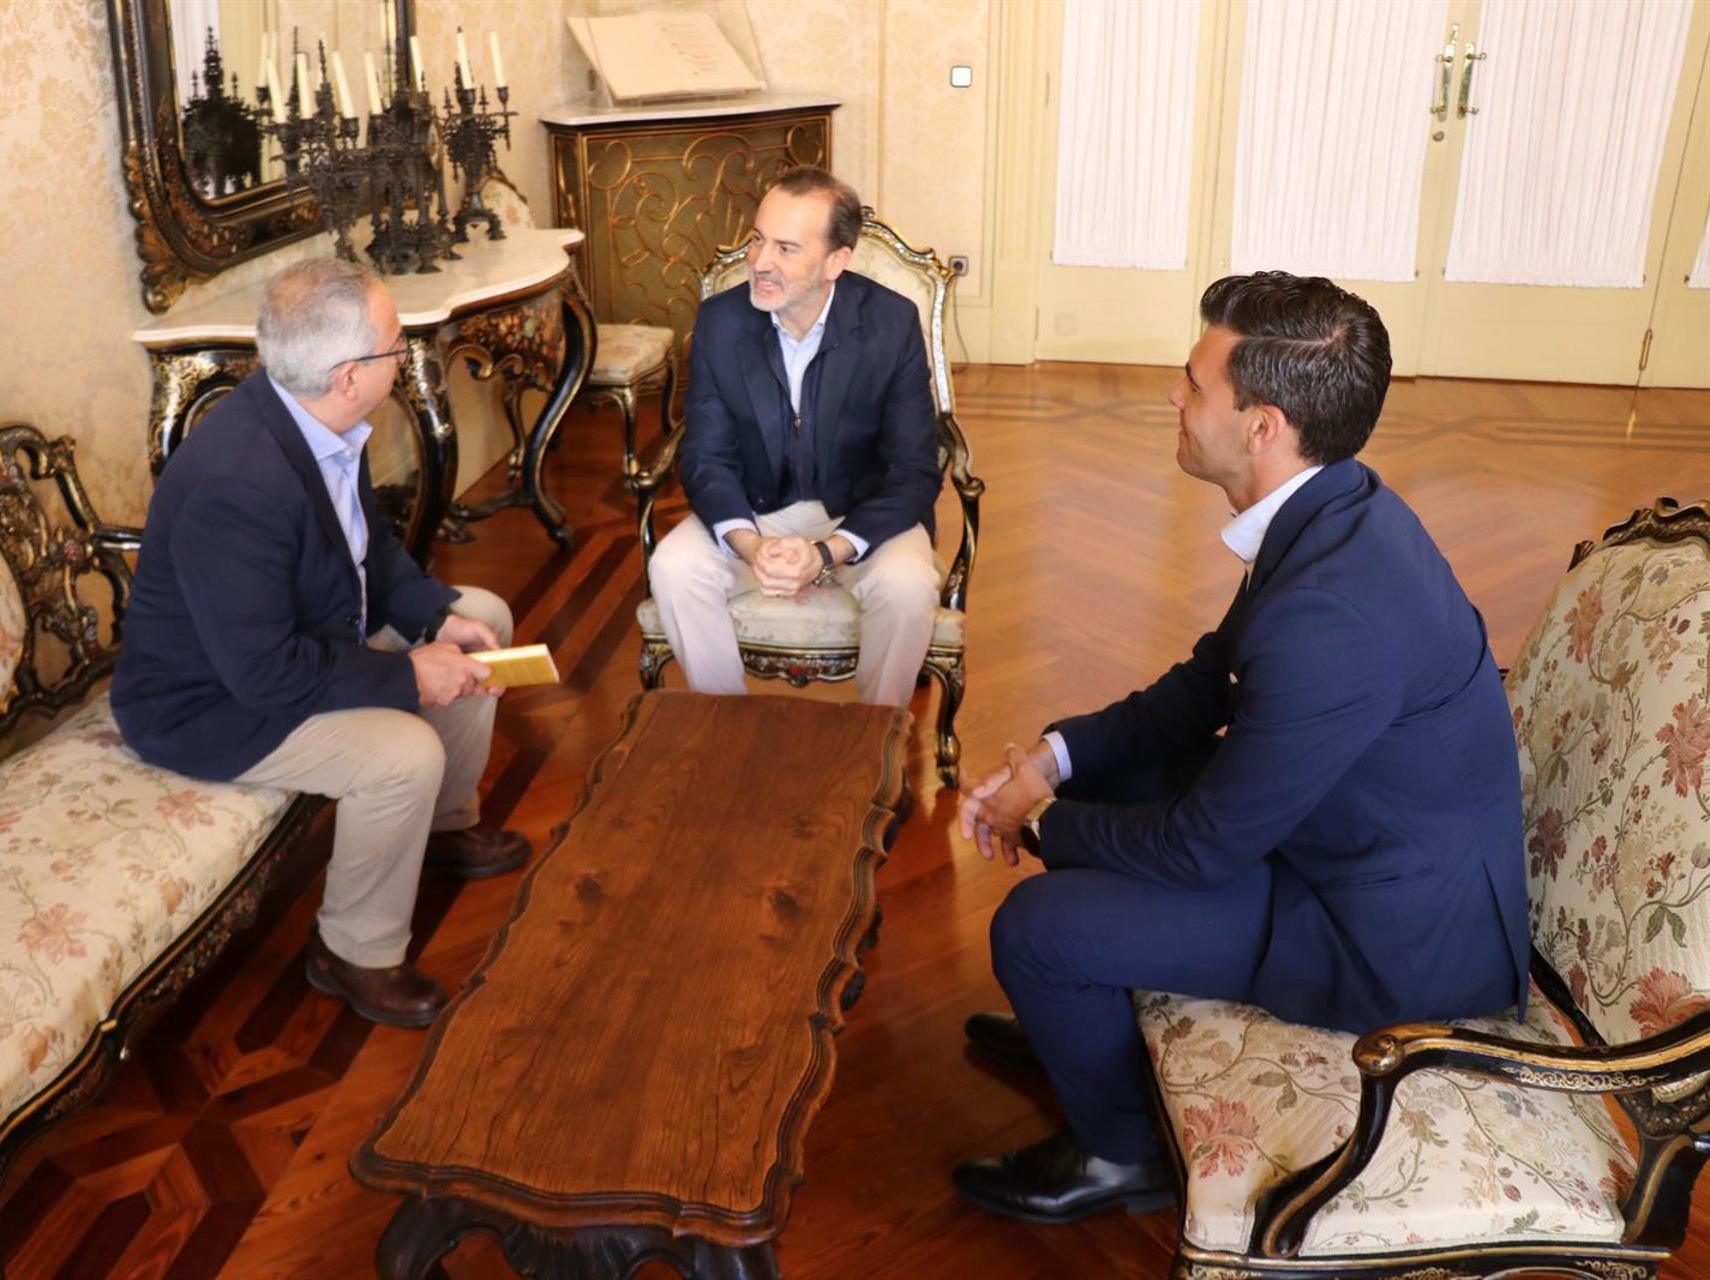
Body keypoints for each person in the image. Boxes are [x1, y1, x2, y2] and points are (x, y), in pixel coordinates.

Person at [949, 272, 1529, 1224]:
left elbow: (1204, 847)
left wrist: (1040, 819)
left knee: (1035, 930)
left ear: (1262, 426)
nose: (1173, 397)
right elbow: (1204, 684)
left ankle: (1116, 1158)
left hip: (1385, 938)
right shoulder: (1335, 506)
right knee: (1117, 775)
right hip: (1357, 842)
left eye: (1193, 383)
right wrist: (1054, 761)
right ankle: (1084, 1024)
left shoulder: (1330, 607)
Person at [111, 257, 531, 1029]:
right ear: (348, 375)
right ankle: (353, 952)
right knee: (404, 753)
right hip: (210, 705)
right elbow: (266, 675)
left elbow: (370, 552)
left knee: (483, 619)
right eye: (397, 343)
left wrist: (436, 618)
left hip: (300, 636)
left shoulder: (316, 417)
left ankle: (441, 830)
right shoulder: (236, 483)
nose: (406, 353)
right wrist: (411, 676)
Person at [647, 166, 943, 707]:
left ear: (836, 262)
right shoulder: (720, 321)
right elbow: (706, 455)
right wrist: (751, 545)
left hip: (862, 511)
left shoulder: (891, 323)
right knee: (673, 567)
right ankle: (726, 726)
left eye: (786, 248)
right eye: (758, 239)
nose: (760, 262)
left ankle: (877, 735)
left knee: (907, 587)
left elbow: (914, 470)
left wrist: (828, 552)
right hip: (757, 509)